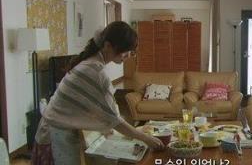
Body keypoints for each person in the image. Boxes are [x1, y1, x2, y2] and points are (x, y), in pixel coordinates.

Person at [32, 21, 164, 165]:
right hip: (57, 135)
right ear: (107, 45)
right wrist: (146, 138)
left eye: (130, 51)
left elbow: (106, 113)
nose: (127, 55)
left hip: (58, 129)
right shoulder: (95, 71)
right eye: (125, 50)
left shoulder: (90, 63)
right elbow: (114, 120)